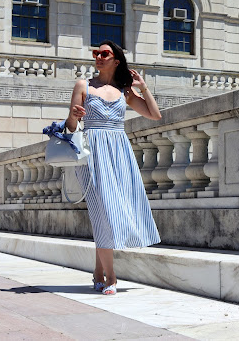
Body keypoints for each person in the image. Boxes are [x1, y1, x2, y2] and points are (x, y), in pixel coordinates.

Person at [65, 40, 162, 296]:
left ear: (116, 60)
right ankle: (111, 276)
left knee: (110, 213)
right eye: (96, 53)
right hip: (93, 153)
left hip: (120, 154)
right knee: (103, 212)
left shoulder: (124, 90)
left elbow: (154, 115)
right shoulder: (83, 85)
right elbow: (71, 127)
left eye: (104, 53)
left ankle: (98, 272)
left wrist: (143, 87)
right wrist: (74, 115)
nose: (98, 56)